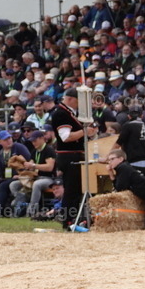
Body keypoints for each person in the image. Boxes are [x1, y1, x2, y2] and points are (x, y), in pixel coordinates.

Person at [51, 89, 87, 230]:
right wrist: (85, 131)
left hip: (74, 154)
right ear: (71, 99)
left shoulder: (69, 113)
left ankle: (74, 218)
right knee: (71, 190)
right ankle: (67, 219)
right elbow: (65, 137)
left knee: (76, 189)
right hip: (69, 155)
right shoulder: (61, 113)